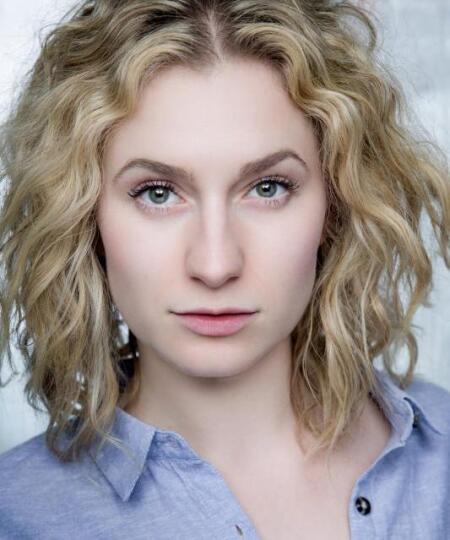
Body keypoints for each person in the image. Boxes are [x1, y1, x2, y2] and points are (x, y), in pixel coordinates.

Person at [0, 0, 449, 538]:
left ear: (336, 205)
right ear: (84, 218)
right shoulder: (16, 514)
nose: (215, 266)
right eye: (158, 193)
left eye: (268, 187)